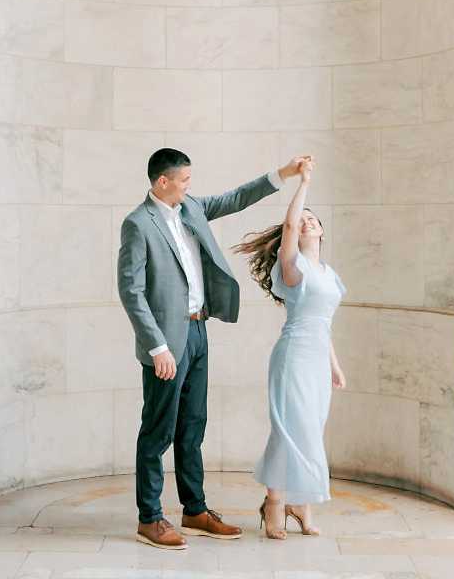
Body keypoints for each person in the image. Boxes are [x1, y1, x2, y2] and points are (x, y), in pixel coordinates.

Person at [117, 147, 311, 550]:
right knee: (157, 431)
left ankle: (194, 510)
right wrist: (157, 348)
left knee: (193, 427)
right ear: (162, 182)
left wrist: (285, 173)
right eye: (184, 179)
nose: (190, 185)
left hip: (198, 331)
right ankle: (149, 518)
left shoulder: (190, 207)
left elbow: (234, 199)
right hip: (166, 345)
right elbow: (131, 291)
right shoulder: (138, 224)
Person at [233, 156, 346, 539]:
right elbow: (289, 223)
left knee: (311, 428)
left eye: (315, 219)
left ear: (323, 231)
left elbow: (325, 325)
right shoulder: (292, 265)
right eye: (304, 220)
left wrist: (334, 365)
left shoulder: (331, 277)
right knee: (288, 428)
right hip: (294, 355)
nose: (309, 221)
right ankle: (274, 504)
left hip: (316, 357)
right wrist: (303, 184)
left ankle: (301, 503)